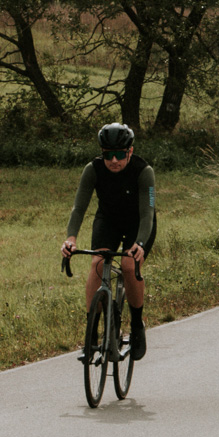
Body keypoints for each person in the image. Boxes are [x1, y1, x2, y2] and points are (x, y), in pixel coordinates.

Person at [61, 123, 156, 361]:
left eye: (120, 155)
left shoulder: (144, 171)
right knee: (97, 263)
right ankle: (91, 334)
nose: (114, 160)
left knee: (127, 266)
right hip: (109, 220)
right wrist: (71, 238)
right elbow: (79, 207)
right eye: (108, 155)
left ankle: (136, 325)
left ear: (130, 152)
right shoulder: (92, 169)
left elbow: (148, 213)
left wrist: (141, 244)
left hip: (138, 223)